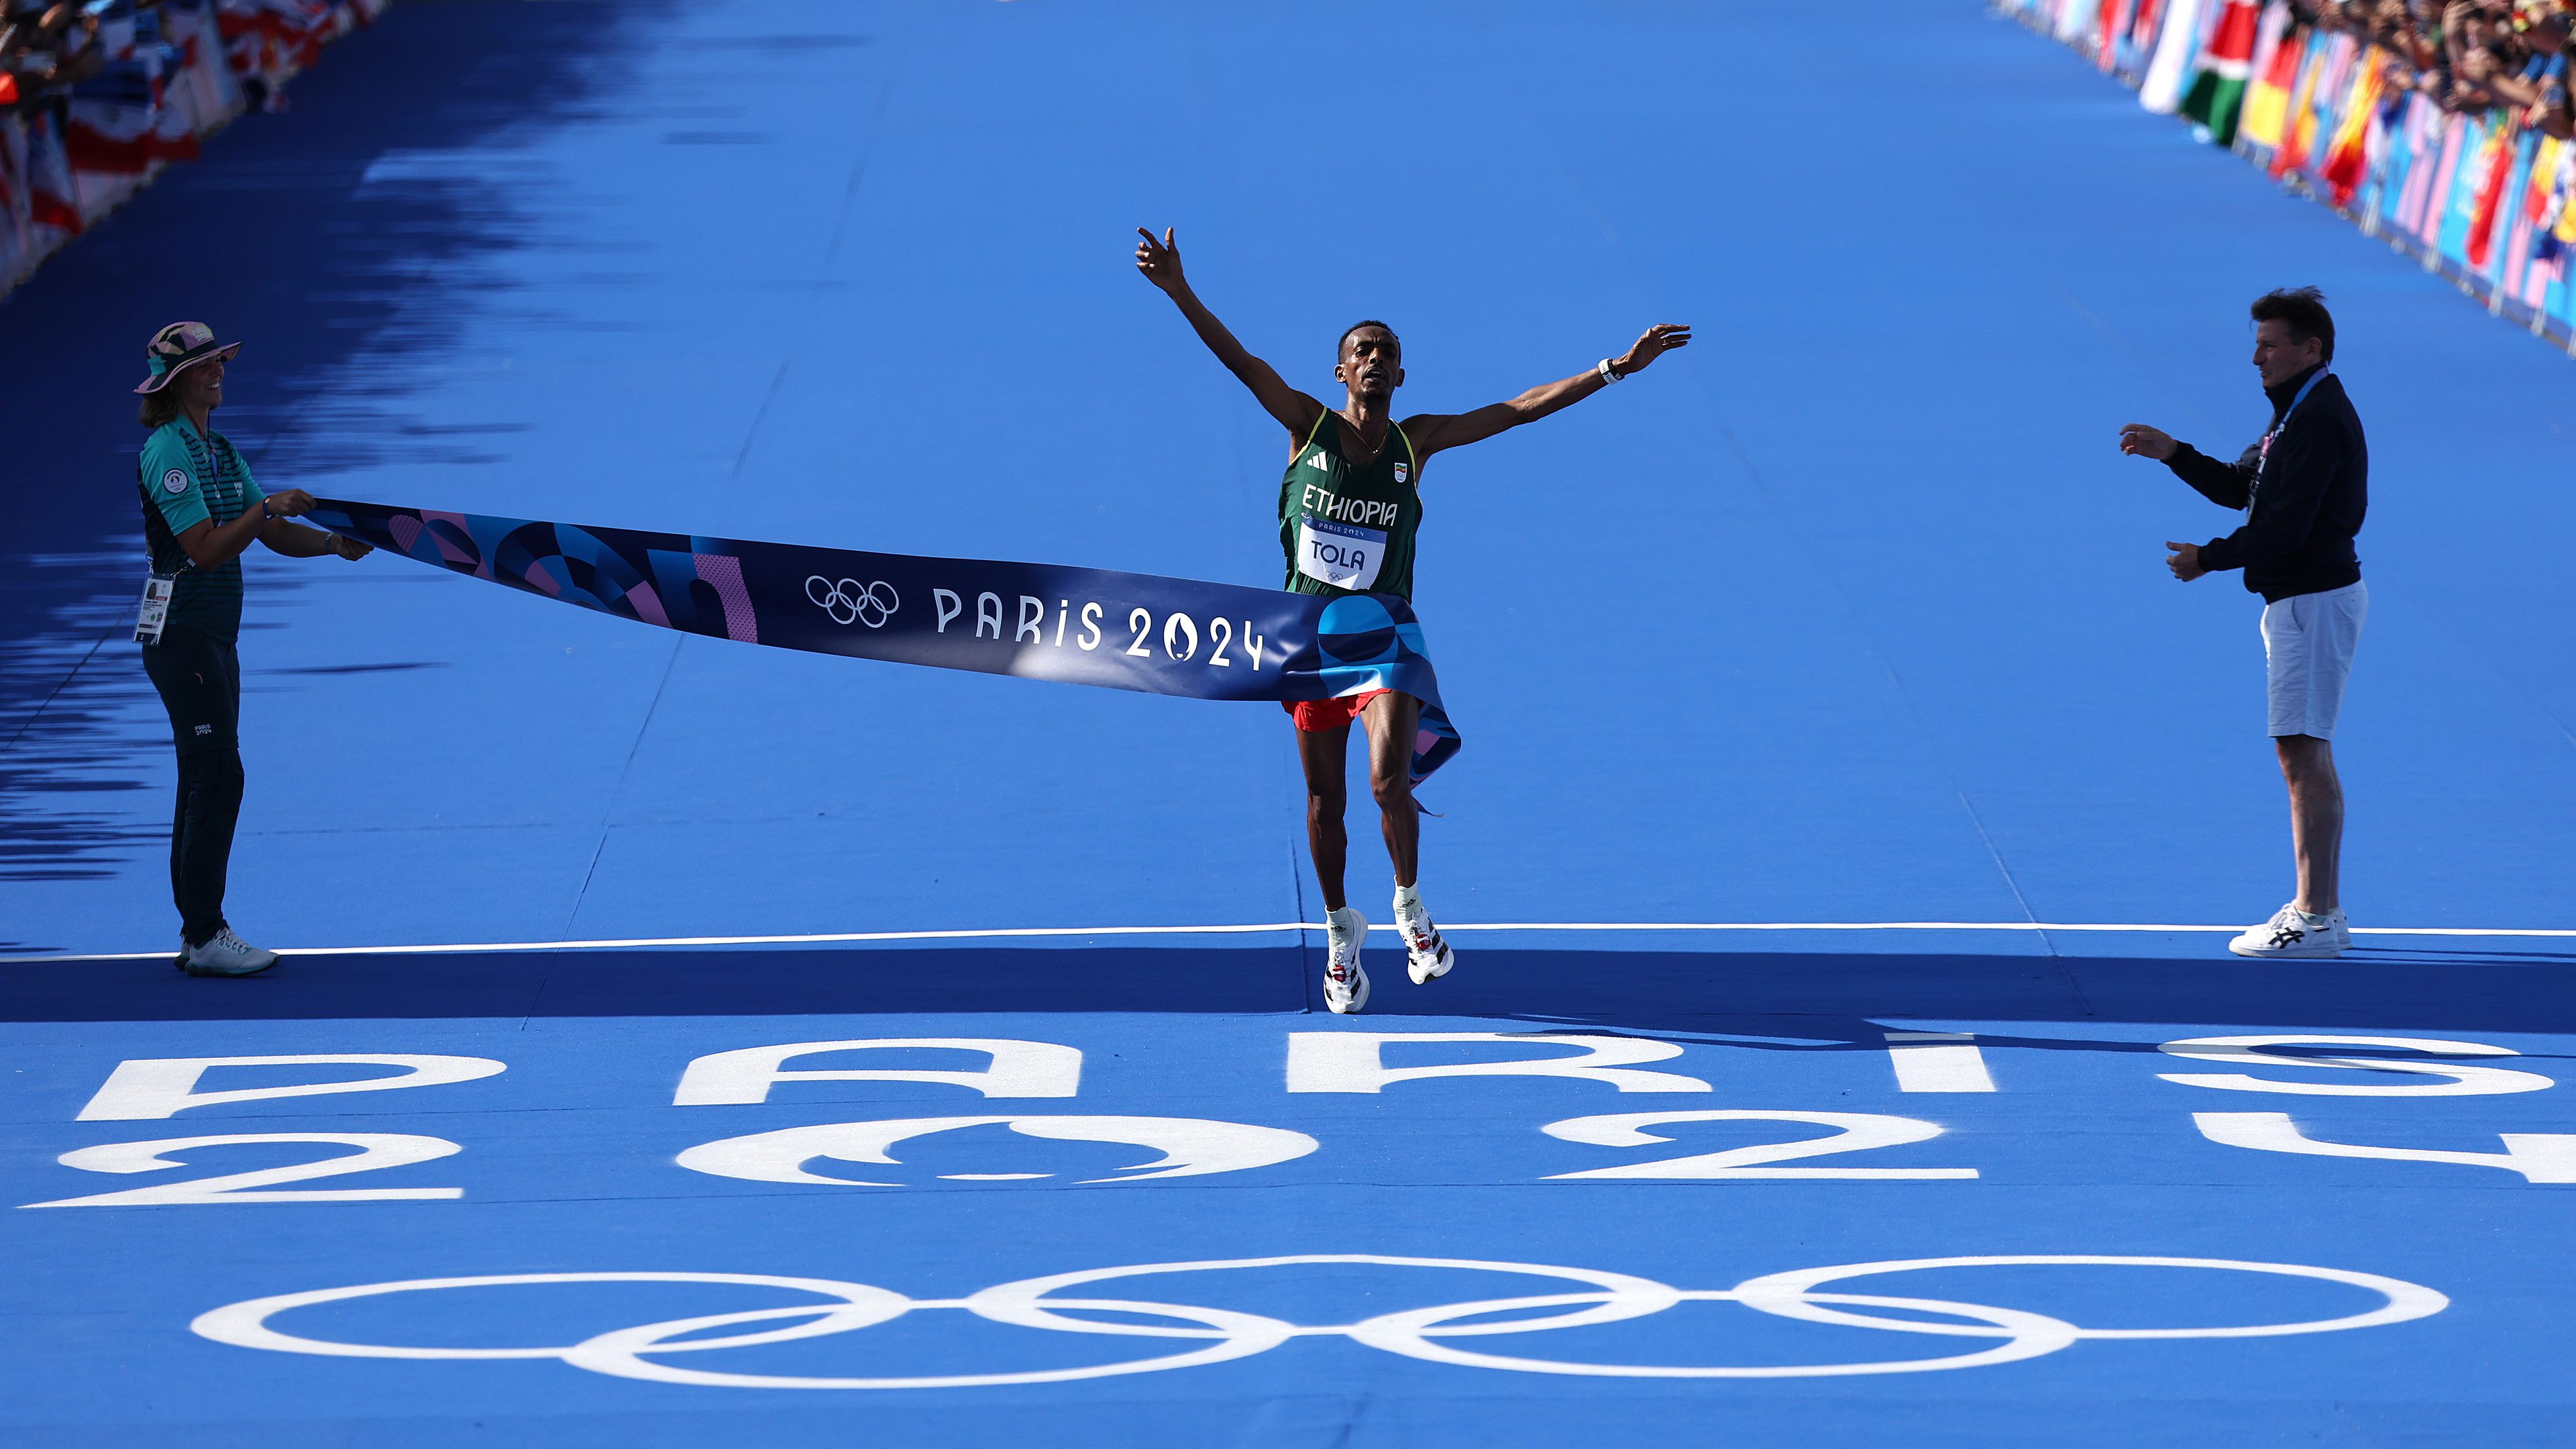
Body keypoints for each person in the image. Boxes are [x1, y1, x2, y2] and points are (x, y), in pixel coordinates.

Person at [1134, 226, 1689, 1012]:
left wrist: (1614, 369)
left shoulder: (1414, 440)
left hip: (1389, 636)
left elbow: (1518, 410)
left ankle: (1409, 909)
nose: (1374, 359)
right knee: (1326, 806)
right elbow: (1241, 363)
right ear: (1340, 371)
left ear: (1400, 372)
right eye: (1361, 350)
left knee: (1388, 780)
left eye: (1386, 351)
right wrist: (1179, 290)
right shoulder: (1306, 425)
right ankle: (1339, 933)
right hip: (1308, 640)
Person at [2118, 287, 2367, 959]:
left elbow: (2282, 529)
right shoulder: (2295, 412)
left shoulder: (2316, 421)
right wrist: (2174, 452)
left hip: (2311, 600)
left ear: (2309, 349)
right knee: (2306, 748)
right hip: (2304, 600)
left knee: (2300, 750)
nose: (2255, 358)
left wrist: (2210, 559)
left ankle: (2314, 917)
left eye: (2269, 345)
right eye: (2256, 345)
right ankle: (2327, 910)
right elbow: (2243, 487)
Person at [132, 321, 370, 977]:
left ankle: (197, 934)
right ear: (174, 383)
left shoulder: (220, 449)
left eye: (220, 362)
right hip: (183, 633)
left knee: (205, 775)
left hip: (210, 635)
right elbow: (209, 549)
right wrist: (267, 508)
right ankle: (205, 934)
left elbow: (266, 533)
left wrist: (328, 543)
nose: (219, 372)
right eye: (204, 366)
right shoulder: (168, 451)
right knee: (218, 773)